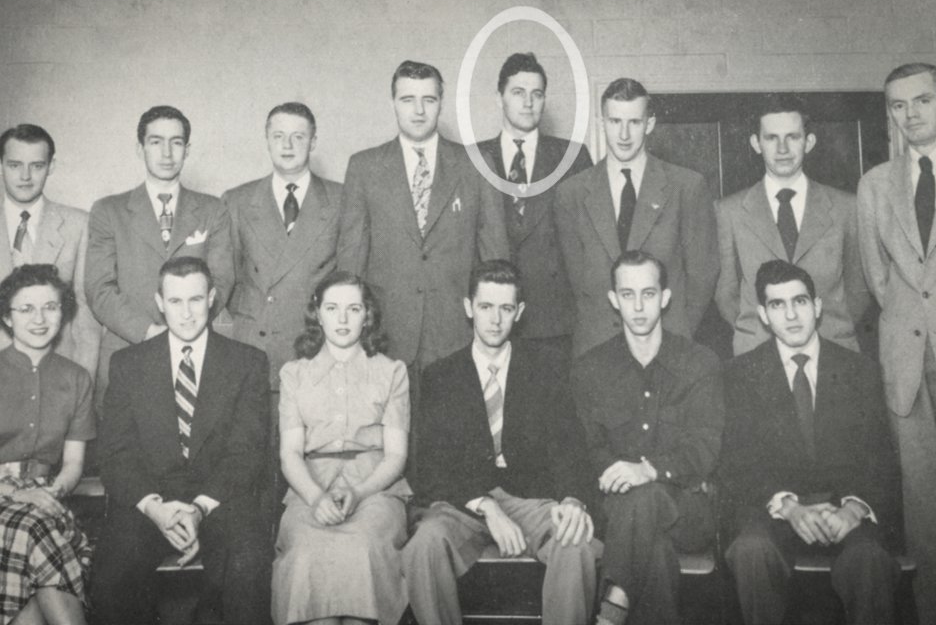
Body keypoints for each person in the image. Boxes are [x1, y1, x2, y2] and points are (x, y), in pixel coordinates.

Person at [404, 260, 600, 625]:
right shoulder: (441, 376)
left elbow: (571, 447)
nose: (495, 320)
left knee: (576, 544)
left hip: (532, 499)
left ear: (519, 312)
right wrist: (488, 508)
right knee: (424, 545)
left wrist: (573, 499)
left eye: (506, 308)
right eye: (486, 307)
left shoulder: (546, 368)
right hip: (466, 502)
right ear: (468, 308)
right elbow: (430, 468)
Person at [91, 257, 271, 625]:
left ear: (212, 298)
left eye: (195, 300)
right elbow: (115, 454)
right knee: (112, 571)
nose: (186, 314)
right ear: (159, 302)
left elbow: (246, 453)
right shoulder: (128, 364)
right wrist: (155, 508)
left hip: (220, 500)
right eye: (175, 302)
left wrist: (199, 509)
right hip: (150, 501)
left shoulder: (247, 362)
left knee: (248, 560)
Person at [720, 260, 900, 624]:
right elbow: (737, 465)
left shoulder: (859, 370)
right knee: (750, 549)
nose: (791, 315)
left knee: (870, 558)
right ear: (763, 315)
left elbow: (881, 459)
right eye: (777, 305)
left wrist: (854, 509)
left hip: (843, 510)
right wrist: (788, 507)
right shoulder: (740, 374)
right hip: (777, 509)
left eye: (800, 302)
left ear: (817, 307)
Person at [857, 61, 936, 624]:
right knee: (929, 529)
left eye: (922, 101)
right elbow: (881, 281)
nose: (910, 114)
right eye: (898, 105)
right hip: (908, 374)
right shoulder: (875, 183)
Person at [572, 250, 722, 625]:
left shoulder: (699, 363)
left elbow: (705, 448)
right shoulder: (590, 369)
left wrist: (649, 470)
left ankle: (614, 603)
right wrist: (627, 477)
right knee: (652, 551)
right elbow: (588, 450)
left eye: (649, 294)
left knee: (649, 496)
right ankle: (615, 608)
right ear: (613, 300)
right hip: (617, 514)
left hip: (688, 509)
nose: (638, 306)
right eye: (627, 295)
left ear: (665, 298)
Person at [337, 60, 509, 374]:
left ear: (440, 103)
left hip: (458, 337)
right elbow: (350, 262)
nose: (419, 110)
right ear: (393, 104)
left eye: (428, 100)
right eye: (408, 100)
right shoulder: (364, 168)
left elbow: (496, 261)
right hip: (384, 337)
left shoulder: (476, 165)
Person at [272, 271, 411, 625]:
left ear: (368, 315)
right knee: (306, 552)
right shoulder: (294, 374)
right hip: (309, 486)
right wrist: (316, 498)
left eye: (354, 309)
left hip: (375, 487)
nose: (343, 319)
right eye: (333, 308)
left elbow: (396, 455)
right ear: (317, 314)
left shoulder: (392, 371)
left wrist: (360, 492)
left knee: (363, 547)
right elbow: (290, 453)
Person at [555, 78, 718, 358]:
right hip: (597, 350)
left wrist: (675, 334)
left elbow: (702, 276)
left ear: (650, 124)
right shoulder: (571, 194)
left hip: (668, 346)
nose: (624, 134)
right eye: (615, 121)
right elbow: (576, 283)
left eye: (634, 122)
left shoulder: (686, 186)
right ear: (601, 122)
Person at [85, 105, 234, 406]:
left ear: (187, 149)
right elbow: (98, 288)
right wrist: (149, 332)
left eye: (176, 142)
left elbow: (222, 279)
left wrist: (185, 332)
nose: (167, 153)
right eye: (156, 142)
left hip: (196, 353)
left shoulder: (212, 209)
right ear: (140, 149)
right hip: (128, 348)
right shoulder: (108, 211)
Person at [714, 94, 869, 355]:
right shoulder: (728, 211)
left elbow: (859, 290)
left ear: (809, 142)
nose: (782, 149)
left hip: (833, 346)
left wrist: (828, 327)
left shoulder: (846, 207)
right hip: (758, 350)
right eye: (772, 138)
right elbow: (726, 295)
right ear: (756, 143)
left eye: (793, 137)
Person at [475, 53, 593, 358]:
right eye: (518, 93)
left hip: (554, 322)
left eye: (536, 94)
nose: (528, 102)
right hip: (491, 319)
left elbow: (588, 244)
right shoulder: (471, 159)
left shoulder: (572, 158)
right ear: (499, 98)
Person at [0, 264, 96, 625]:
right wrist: (17, 494)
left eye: (50, 307)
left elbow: (73, 465)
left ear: (63, 312)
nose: (39, 319)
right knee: (33, 526)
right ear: (8, 318)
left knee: (36, 524)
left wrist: (52, 493)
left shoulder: (76, 378)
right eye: (26, 309)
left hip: (47, 498)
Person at [223, 102, 342, 390]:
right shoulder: (236, 201)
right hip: (252, 348)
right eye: (278, 136)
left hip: (315, 348)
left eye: (298, 137)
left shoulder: (342, 200)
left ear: (313, 142)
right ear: (267, 140)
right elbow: (225, 278)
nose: (287, 145)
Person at [0, 124, 100, 377]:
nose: (25, 176)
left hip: (56, 375)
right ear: (1, 164)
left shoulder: (78, 224)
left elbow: (85, 315)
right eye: (14, 165)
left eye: (36, 166)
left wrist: (81, 383)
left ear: (51, 166)